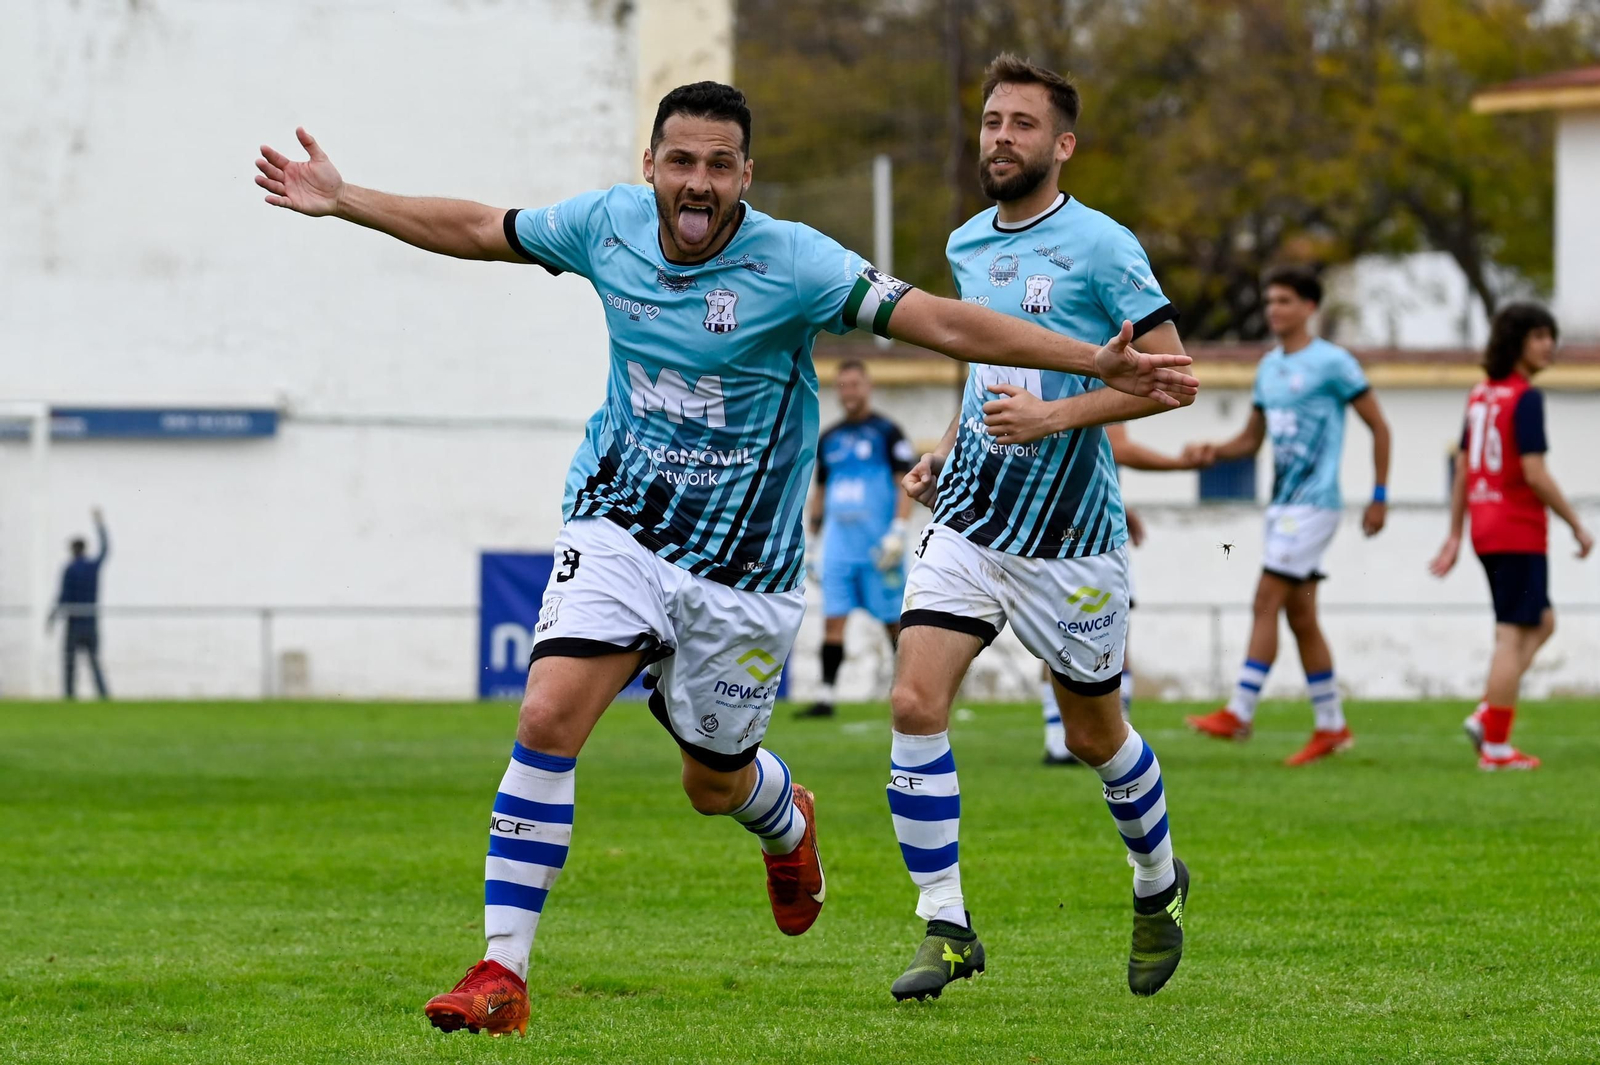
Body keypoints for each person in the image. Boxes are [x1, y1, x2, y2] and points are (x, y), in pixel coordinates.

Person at [256, 82, 1197, 1035]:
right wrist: (347, 199)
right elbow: (483, 227)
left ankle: (784, 818)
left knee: (713, 781)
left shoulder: (795, 262)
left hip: (743, 570)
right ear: (651, 166)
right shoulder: (605, 226)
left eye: (718, 165)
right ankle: (503, 968)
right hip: (618, 520)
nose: (696, 183)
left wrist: (1089, 364)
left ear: (745, 175)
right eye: (681, 161)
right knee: (548, 714)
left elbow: (946, 324)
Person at [885, 55, 1192, 1004]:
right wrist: (946, 443)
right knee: (911, 702)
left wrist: (1055, 418)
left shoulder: (1103, 246)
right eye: (989, 120)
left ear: (1063, 145)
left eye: (1022, 123)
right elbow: (982, 369)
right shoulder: (968, 242)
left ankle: (1157, 883)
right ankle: (945, 922)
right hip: (971, 519)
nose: (1000, 137)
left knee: (1098, 735)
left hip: (1072, 541)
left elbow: (1176, 377)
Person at [1184, 267, 1390, 767]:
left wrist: (1380, 495)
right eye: (1270, 301)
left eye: (1284, 301)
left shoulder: (1334, 363)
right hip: (1282, 506)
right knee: (1300, 616)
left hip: (1314, 505)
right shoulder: (1268, 367)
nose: (1274, 309)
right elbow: (1251, 441)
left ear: (1308, 308)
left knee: (1265, 598)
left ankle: (1240, 712)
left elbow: (1380, 428)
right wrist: (1213, 451)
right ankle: (1332, 725)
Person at [1429, 303, 1593, 770]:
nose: (1548, 345)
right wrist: (1576, 523)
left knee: (1541, 621)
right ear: (1516, 341)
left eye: (1550, 336)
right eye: (1538, 336)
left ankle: (1488, 713)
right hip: (1517, 528)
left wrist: (1456, 533)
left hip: (1485, 525)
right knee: (1512, 632)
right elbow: (1534, 473)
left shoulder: (1481, 395)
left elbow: (1463, 466)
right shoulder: (1525, 397)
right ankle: (1497, 747)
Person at [1041, 425, 1205, 764]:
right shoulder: (1096, 377)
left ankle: (1059, 740)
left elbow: (1086, 457)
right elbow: (1119, 447)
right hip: (1091, 532)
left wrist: (1119, 501)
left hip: (1051, 523)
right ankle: (1113, 734)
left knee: (1051, 635)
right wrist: (1179, 465)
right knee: (1110, 634)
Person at [798, 360, 915, 718]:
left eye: (855, 385)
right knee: (833, 619)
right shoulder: (829, 438)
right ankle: (826, 697)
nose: (849, 393)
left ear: (867, 387)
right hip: (839, 547)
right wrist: (813, 542)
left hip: (879, 546)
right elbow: (820, 490)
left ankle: (912, 691)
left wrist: (899, 529)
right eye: (843, 386)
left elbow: (904, 485)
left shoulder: (887, 433)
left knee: (894, 621)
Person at [50, 508, 110, 700]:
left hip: (75, 622)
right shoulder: (92, 567)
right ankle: (103, 696)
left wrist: (52, 616)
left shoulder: (70, 569)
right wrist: (100, 525)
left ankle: (69, 696)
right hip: (90, 621)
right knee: (94, 662)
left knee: (70, 663)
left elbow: (63, 596)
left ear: (73, 549)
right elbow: (106, 550)